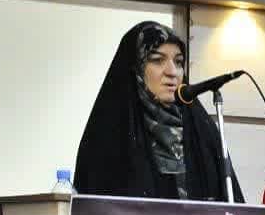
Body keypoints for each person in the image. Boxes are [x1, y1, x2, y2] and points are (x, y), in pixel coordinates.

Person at [74, 21, 245, 202]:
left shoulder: (202, 130)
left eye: (178, 62)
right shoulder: (110, 132)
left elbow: (233, 209)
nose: (172, 72)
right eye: (157, 60)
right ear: (136, 68)